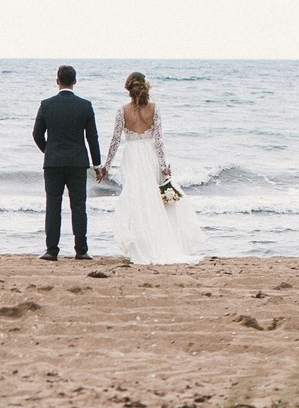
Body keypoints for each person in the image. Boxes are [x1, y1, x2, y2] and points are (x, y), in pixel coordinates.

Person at [97, 72, 204, 265]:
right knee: (154, 200)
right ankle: (159, 241)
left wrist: (106, 166)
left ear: (128, 89)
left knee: (137, 201)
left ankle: (141, 245)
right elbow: (159, 141)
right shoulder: (154, 109)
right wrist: (164, 166)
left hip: (132, 157)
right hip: (150, 156)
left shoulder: (122, 111)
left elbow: (115, 140)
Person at [31, 65, 103, 261]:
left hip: (53, 163)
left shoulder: (46, 105)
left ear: (57, 81)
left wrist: (49, 150)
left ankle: (51, 250)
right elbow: (92, 137)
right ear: (75, 81)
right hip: (78, 162)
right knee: (79, 205)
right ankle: (81, 250)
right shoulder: (85, 106)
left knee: (53, 205)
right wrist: (97, 165)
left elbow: (37, 134)